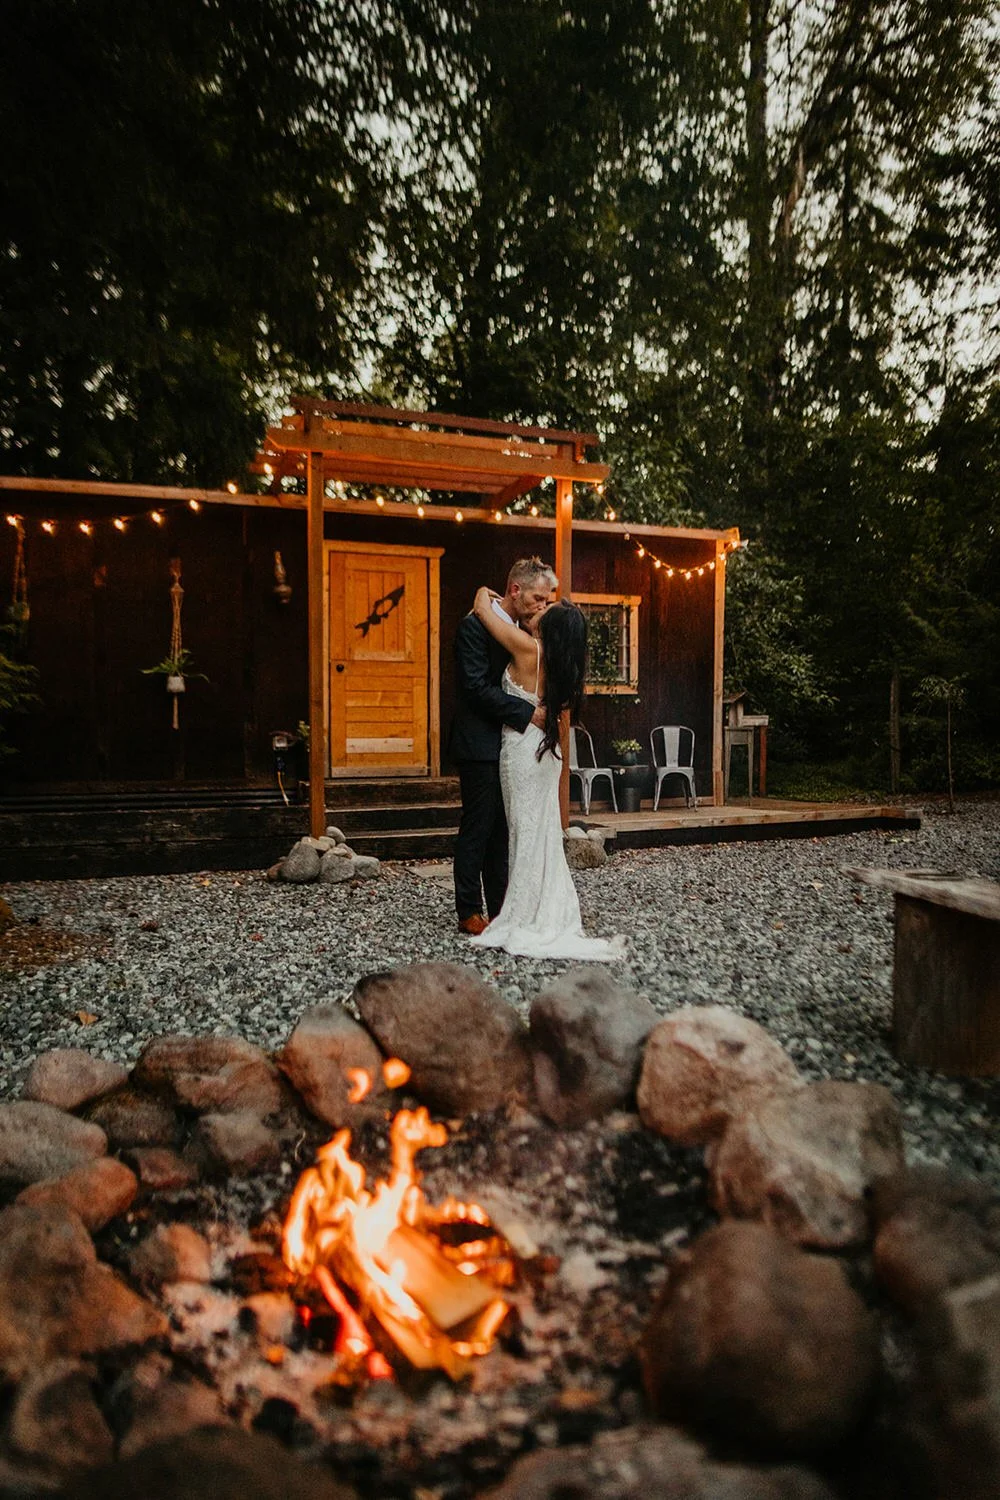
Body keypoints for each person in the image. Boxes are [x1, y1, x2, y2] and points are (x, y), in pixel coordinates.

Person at [466, 584, 623, 961]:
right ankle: (542, 908)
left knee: (525, 833)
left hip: (522, 753)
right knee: (542, 835)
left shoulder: (528, 649)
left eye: (546, 609)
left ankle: (524, 914)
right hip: (544, 754)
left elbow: (485, 614)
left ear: (550, 629)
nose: (540, 608)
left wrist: (481, 594)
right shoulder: (558, 663)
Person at [449, 558, 556, 935]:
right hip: (478, 742)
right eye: (538, 598)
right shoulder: (473, 627)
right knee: (478, 827)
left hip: (510, 745)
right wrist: (529, 713)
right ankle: (467, 909)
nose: (543, 605)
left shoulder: (518, 629)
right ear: (515, 590)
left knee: (501, 830)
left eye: (548, 599)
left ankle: (500, 908)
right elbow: (476, 688)